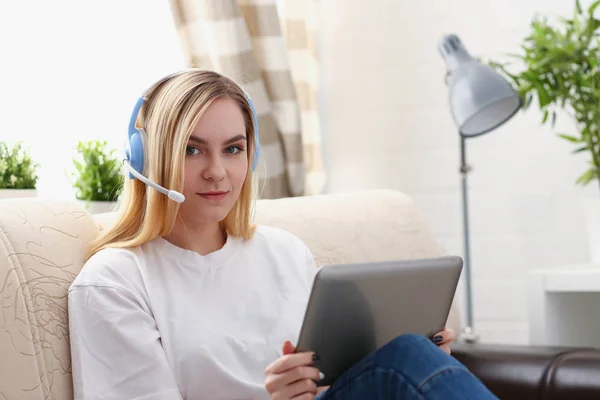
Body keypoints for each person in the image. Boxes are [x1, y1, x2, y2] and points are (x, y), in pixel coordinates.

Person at [67, 69, 497, 400]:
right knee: (405, 359)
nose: (217, 171)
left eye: (233, 149)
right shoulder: (114, 281)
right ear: (146, 158)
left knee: (410, 354)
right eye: (191, 149)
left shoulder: (283, 252)